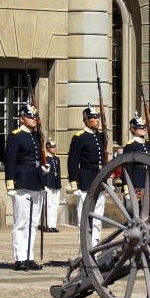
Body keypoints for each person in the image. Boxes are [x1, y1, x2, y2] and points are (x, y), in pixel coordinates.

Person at [4, 103, 47, 271]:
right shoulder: (16, 136)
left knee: (33, 222)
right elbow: (10, 161)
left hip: (36, 181)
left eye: (35, 117)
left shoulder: (35, 136)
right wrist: (10, 183)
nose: (34, 120)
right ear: (22, 118)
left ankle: (29, 256)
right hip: (22, 182)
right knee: (21, 222)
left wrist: (43, 168)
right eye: (30, 117)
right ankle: (19, 258)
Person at [67, 102, 106, 247]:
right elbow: (73, 161)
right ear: (86, 119)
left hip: (99, 180)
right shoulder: (80, 137)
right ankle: (84, 251)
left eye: (98, 118)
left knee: (98, 220)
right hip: (85, 181)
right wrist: (74, 182)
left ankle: (94, 249)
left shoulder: (101, 137)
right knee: (84, 220)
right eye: (94, 118)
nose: (97, 120)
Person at [122, 113, 150, 191]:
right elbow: (127, 167)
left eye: (144, 127)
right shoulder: (130, 145)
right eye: (140, 127)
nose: (144, 129)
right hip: (137, 181)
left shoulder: (147, 144)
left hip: (148, 180)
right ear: (133, 129)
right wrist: (127, 186)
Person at [44, 138, 61, 233]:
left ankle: (53, 225)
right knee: (49, 205)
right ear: (47, 148)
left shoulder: (57, 159)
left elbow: (58, 172)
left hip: (56, 184)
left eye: (54, 147)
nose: (54, 149)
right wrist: (44, 185)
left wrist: (59, 185)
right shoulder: (45, 158)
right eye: (52, 147)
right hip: (48, 183)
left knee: (55, 205)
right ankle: (48, 225)